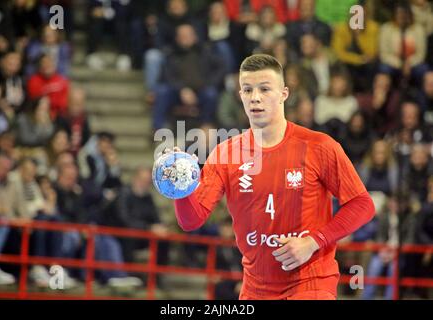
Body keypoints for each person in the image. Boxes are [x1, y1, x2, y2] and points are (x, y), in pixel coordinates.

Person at [157, 54, 375, 300]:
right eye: (248, 90)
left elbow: (362, 204)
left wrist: (313, 242)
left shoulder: (319, 146)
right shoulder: (226, 153)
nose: (255, 97)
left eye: (264, 89)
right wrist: (181, 187)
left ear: (284, 93)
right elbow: (191, 220)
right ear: (240, 96)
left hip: (311, 283)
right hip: (255, 289)